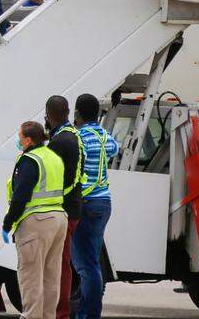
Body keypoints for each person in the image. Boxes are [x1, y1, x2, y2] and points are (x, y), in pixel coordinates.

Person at [3, 121, 68, 319]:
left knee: (30, 276)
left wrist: (8, 222)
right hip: (58, 219)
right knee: (51, 277)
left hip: (37, 221)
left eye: (20, 136)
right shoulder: (53, 157)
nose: (18, 139)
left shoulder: (30, 160)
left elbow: (21, 195)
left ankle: (31, 317)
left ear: (28, 140)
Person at [70, 94, 118, 319]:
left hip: (86, 202)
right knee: (93, 261)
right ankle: (90, 310)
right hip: (103, 202)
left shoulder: (79, 138)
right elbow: (114, 149)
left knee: (86, 265)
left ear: (77, 113)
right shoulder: (106, 137)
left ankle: (89, 314)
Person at [44, 97, 83, 319]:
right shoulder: (73, 135)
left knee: (58, 264)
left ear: (49, 115)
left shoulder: (59, 143)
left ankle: (60, 312)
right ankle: (60, 310)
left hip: (63, 210)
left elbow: (55, 179)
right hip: (74, 207)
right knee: (62, 262)